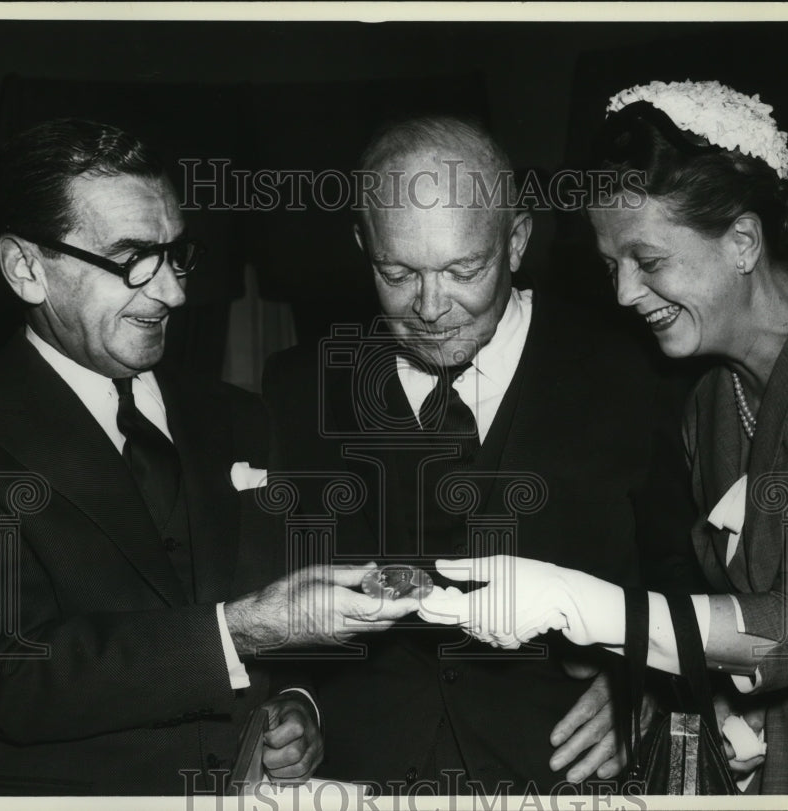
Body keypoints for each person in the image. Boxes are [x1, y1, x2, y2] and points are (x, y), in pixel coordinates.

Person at [0, 118, 418, 796]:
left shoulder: (240, 416)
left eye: (176, 254)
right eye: (132, 261)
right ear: (26, 268)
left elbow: (287, 613)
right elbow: (10, 676)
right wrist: (237, 632)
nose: (174, 294)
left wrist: (298, 700)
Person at [426, 81, 788, 794]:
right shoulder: (709, 402)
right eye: (612, 267)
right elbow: (719, 623)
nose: (623, 294)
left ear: (742, 241)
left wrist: (583, 605)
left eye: (649, 260)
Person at [261, 115, 698, 794]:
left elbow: (685, 572)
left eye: (464, 270)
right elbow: (275, 591)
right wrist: (297, 700)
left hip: (568, 778)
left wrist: (644, 683)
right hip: (360, 781)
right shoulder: (297, 389)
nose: (431, 307)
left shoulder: (631, 373)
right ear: (361, 245)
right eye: (397, 272)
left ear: (516, 240)